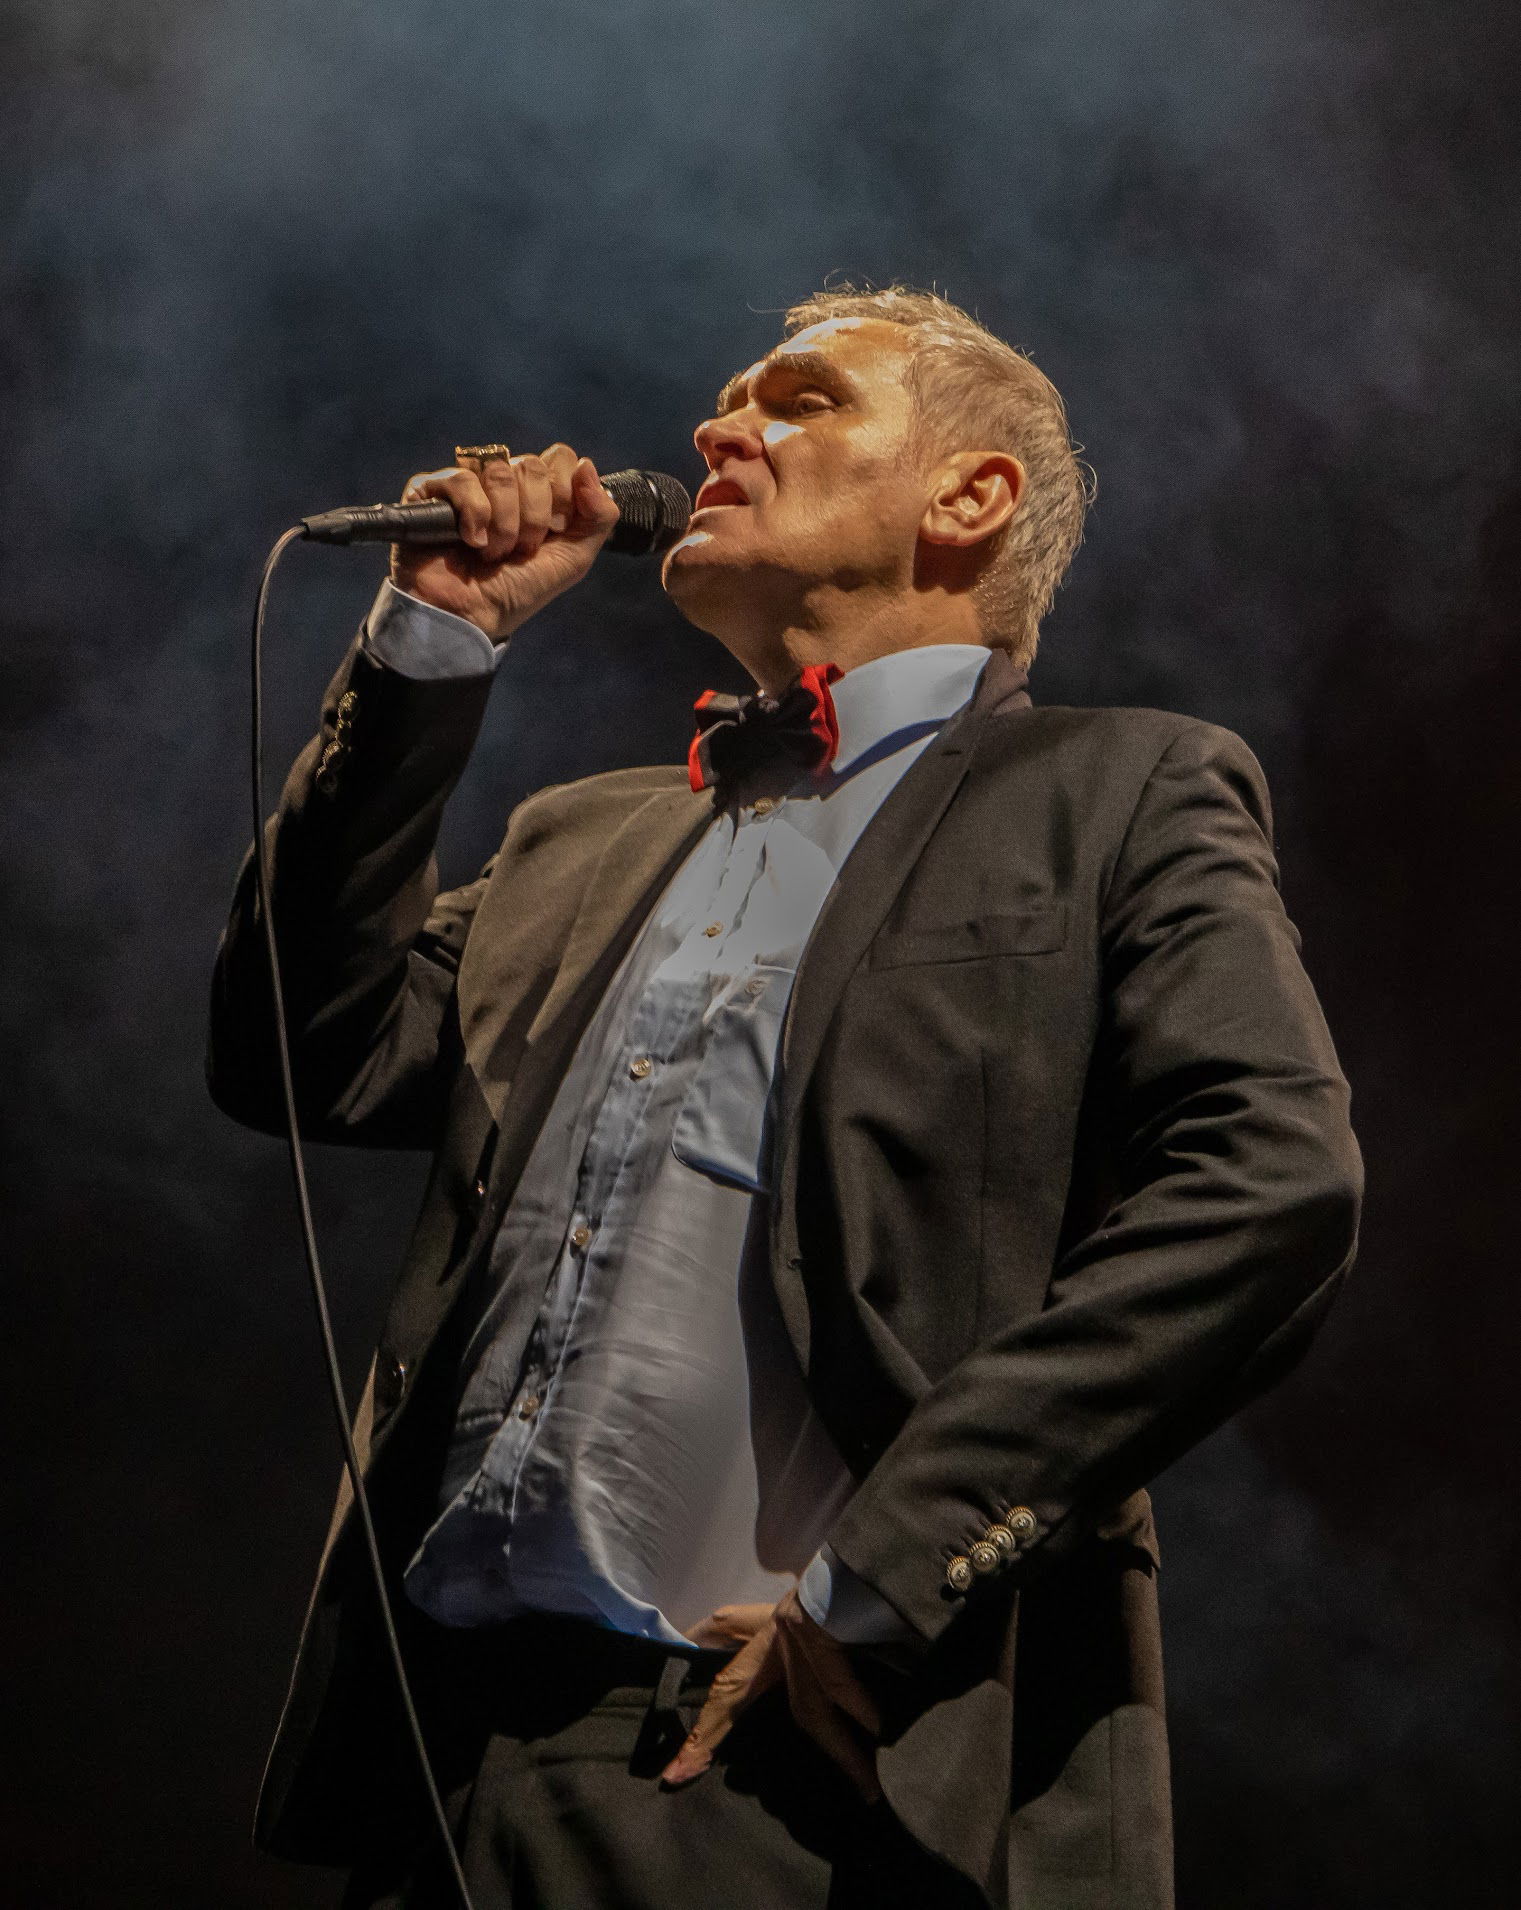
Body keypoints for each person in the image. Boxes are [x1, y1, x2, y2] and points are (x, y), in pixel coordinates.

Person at [208, 285, 1362, 1910]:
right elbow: (299, 1042)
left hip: (784, 1758)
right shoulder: (582, 838)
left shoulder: (1116, 793)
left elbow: (1271, 1181)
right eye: (731, 398)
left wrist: (881, 1574)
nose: (717, 426)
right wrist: (433, 641)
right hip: (440, 1768)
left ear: (969, 495)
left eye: (801, 398)